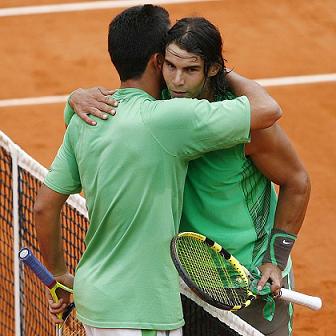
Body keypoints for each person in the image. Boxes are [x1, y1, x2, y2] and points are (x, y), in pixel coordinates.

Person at [34, 5, 281, 336]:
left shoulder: (85, 119)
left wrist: (60, 274)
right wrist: (217, 69)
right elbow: (267, 109)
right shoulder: (172, 119)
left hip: (92, 297)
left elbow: (43, 207)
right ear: (157, 61)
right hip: (142, 311)